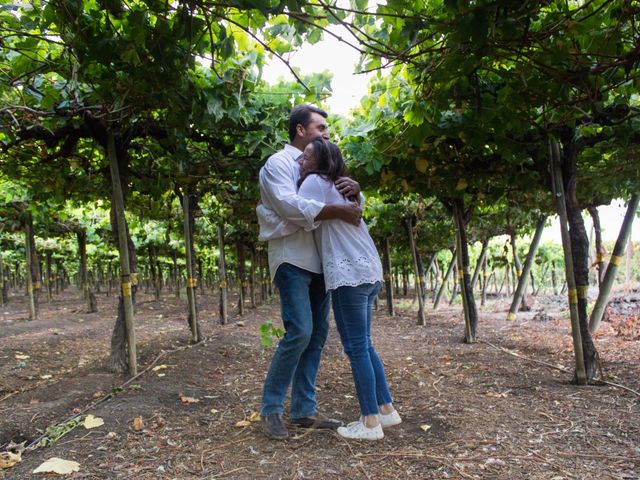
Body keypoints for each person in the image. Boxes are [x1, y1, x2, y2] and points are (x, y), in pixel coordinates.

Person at [257, 104, 363, 440]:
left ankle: (303, 410)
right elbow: (290, 205)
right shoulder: (278, 163)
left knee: (317, 336)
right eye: (320, 129)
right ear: (300, 130)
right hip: (291, 259)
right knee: (300, 331)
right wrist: (333, 210)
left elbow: (352, 210)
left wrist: (355, 193)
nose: (326, 135)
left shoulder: (324, 166)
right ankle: (271, 409)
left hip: (321, 261)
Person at [296, 139, 401, 441]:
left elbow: (299, 213)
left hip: (347, 272)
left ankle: (369, 422)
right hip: (368, 268)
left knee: (356, 348)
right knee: (365, 344)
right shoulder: (346, 187)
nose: (301, 162)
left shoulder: (314, 182)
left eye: (307, 157)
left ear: (321, 161)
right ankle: (386, 409)